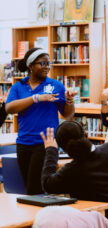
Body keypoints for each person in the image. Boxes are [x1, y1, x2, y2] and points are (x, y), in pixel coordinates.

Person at [5, 47, 76, 194]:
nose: (47, 67)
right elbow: (9, 108)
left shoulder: (56, 85)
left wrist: (69, 101)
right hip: (23, 144)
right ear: (30, 66)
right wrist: (35, 98)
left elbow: (67, 115)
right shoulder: (18, 86)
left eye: (48, 64)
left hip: (46, 144)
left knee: (35, 190)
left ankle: (41, 217)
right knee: (28, 189)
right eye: (42, 63)